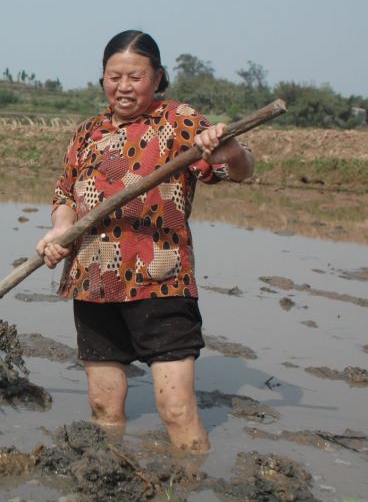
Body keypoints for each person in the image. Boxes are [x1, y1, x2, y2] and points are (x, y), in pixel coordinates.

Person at [36, 30, 254, 453]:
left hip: (161, 280)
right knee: (104, 407)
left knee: (175, 408)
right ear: (102, 79)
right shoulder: (87, 133)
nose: (123, 87)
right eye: (114, 76)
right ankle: (107, 479)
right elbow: (65, 193)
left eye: (135, 77)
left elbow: (240, 169)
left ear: (157, 77)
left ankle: (189, 480)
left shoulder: (179, 121)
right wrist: (61, 229)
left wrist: (229, 147)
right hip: (94, 282)